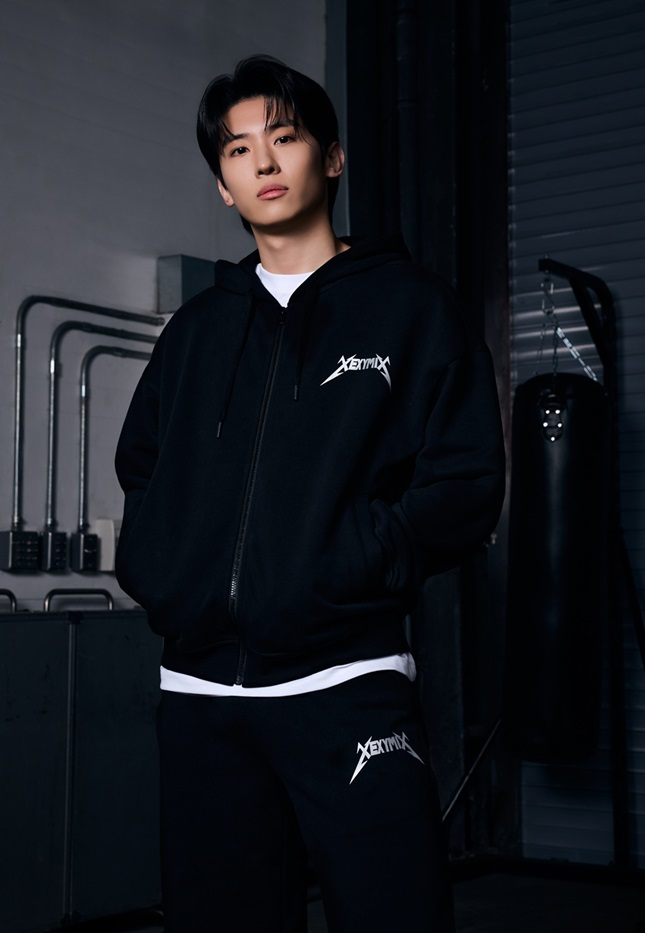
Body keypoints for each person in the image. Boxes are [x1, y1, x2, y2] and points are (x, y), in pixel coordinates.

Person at [115, 54, 505, 933]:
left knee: (395, 915)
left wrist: (354, 561)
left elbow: (466, 480)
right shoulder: (198, 331)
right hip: (202, 697)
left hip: (347, 681)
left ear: (330, 157)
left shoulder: (412, 308)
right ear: (222, 184)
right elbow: (143, 468)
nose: (263, 161)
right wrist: (165, 571)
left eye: (284, 138)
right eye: (238, 149)